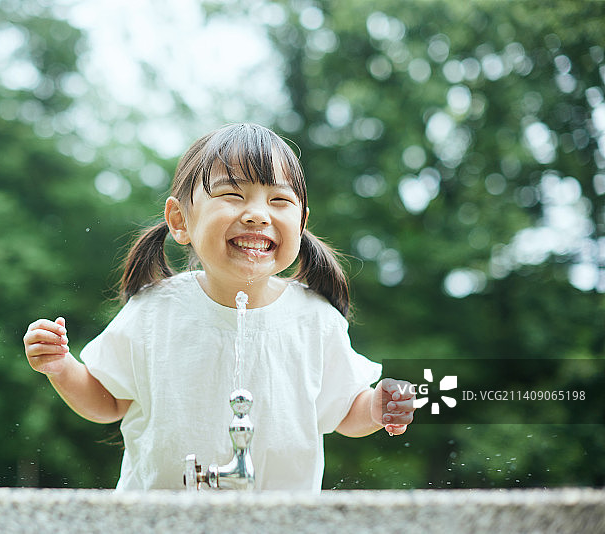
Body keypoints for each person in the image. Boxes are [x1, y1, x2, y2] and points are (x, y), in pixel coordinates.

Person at [23, 123, 415, 491]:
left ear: (301, 223)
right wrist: (62, 367)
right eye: (232, 195)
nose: (258, 214)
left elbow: (345, 411)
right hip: (158, 524)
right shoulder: (155, 310)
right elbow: (107, 401)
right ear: (180, 220)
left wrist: (379, 407)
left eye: (279, 200)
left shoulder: (314, 320)